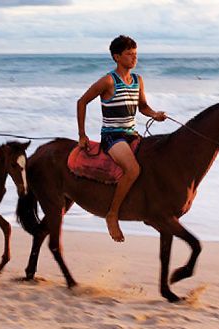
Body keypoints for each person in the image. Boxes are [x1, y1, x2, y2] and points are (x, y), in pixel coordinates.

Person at [76, 35, 166, 242]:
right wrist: (82, 135)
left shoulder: (137, 80)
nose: (134, 58)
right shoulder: (108, 81)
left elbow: (142, 106)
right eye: (129, 54)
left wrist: (155, 114)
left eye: (135, 54)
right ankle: (112, 214)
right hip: (112, 137)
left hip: (132, 134)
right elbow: (82, 102)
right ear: (117, 57)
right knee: (133, 169)